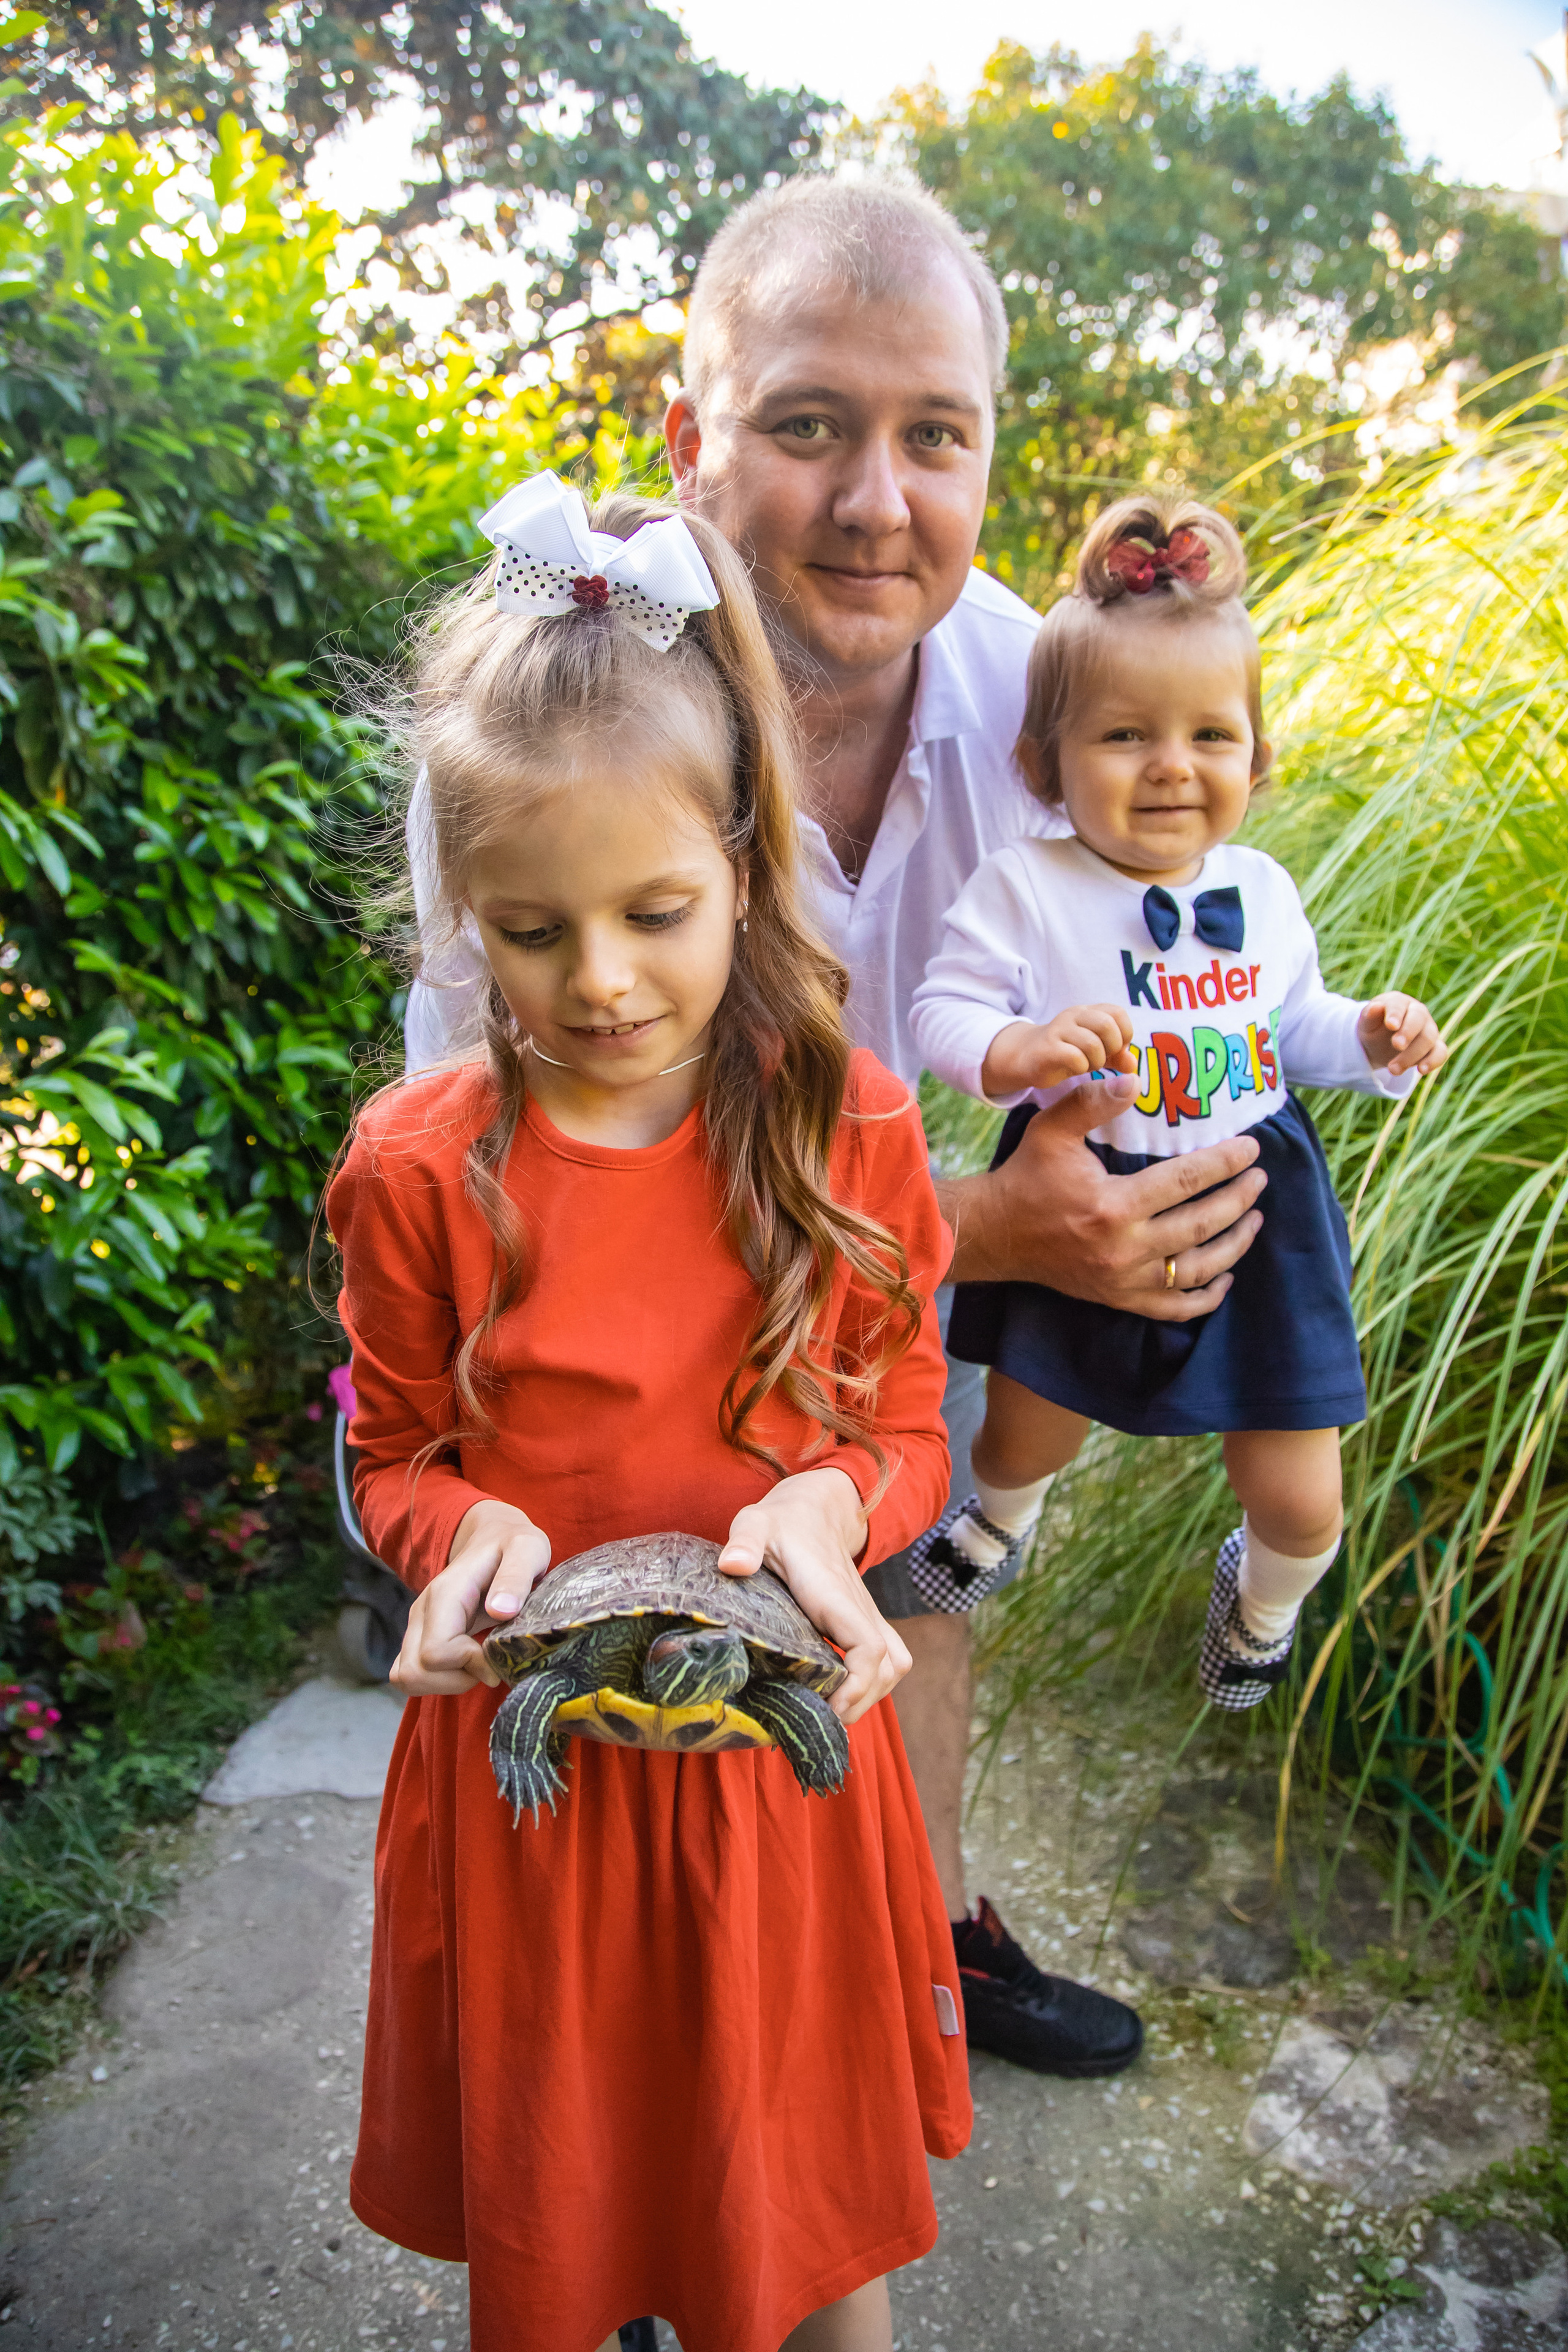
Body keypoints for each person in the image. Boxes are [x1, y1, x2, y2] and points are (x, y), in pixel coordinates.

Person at [405, 172, 1268, 2076]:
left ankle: (931, 1941)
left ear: (989, 452)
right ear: (688, 436)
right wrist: (991, 1224)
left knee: (926, 1579)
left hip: (894, 1329)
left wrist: (1186, 1143)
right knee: (633, 1741)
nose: (881, 506)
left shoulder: (1056, 703)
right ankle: (643, 2123)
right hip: (613, 1362)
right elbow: (526, 1176)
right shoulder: (574, 714)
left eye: (935, 437)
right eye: (810, 427)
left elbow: (1199, 937)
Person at [331, 474, 968, 2352]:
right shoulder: (420, 1166)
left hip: (774, 1790)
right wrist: (462, 1544)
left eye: (657, 911)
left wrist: (838, 1510)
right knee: (566, 2207)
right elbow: (394, 1459)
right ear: (465, 913)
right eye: (530, 933)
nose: (598, 979)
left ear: (748, 859)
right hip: (540, 1809)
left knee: (804, 2232)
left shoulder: (845, 1122)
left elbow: (913, 1417)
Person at [908, 496, 1448, 1697]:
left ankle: (1260, 1600)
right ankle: (994, 1526)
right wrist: (1021, 1046)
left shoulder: (1258, 892)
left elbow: (1290, 1027)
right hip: (1082, 1177)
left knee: (1300, 1493)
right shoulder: (1027, 885)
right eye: (1122, 737)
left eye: (1209, 737)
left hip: (1259, 1203)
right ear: (1040, 763)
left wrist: (1365, 1035)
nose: (1169, 766)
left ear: (1254, 760)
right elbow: (939, 1012)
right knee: (1019, 1432)